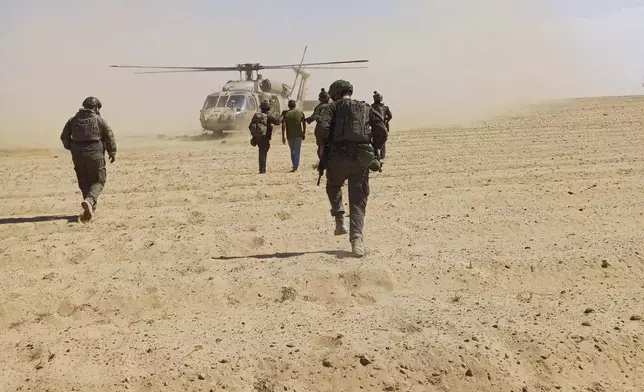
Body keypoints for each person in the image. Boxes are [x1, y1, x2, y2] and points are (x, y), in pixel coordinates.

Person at [315, 80, 388, 257]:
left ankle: (340, 219)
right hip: (360, 160)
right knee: (358, 200)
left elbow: (321, 130)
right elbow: (381, 130)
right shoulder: (365, 107)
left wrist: (323, 148)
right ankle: (357, 241)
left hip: (337, 159)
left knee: (333, 186)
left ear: (335, 93)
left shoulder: (330, 108)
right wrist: (375, 149)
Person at [60, 96, 117, 222]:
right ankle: (89, 201)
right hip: (95, 154)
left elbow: (64, 137)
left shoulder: (73, 120)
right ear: (96, 107)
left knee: (83, 180)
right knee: (98, 181)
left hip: (77, 155)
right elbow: (109, 136)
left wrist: (73, 148)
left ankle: (90, 208)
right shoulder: (99, 120)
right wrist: (112, 152)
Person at [249, 100, 281, 174]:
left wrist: (254, 135)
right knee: (263, 152)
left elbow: (250, 126)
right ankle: (262, 169)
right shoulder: (268, 116)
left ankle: (262, 168)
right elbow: (277, 122)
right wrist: (282, 116)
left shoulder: (256, 116)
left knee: (261, 151)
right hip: (265, 136)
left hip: (257, 137)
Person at [281, 99, 307, 172]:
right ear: (295, 105)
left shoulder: (286, 114)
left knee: (292, 151)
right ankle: (295, 166)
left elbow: (283, 125)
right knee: (297, 151)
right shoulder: (300, 112)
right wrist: (303, 133)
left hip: (290, 135)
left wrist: (283, 136)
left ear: (288, 106)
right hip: (298, 135)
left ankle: (294, 165)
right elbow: (304, 123)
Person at [371, 91, 392, 159]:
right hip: (383, 127)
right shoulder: (385, 107)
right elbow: (390, 116)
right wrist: (386, 121)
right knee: (383, 141)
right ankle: (382, 156)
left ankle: (376, 156)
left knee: (375, 141)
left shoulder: (371, 107)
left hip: (375, 127)